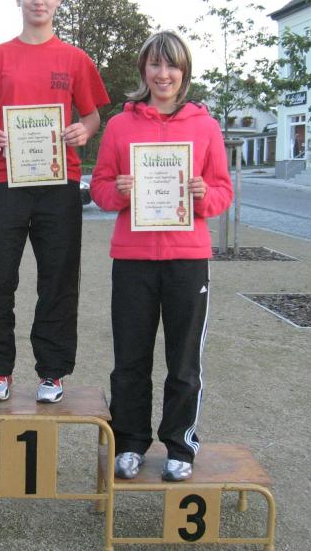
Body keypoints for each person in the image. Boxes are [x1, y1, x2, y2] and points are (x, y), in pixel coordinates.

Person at [90, 31, 233, 481]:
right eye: (155, 64)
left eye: (172, 65)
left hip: (187, 260)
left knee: (184, 361)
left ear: (184, 72)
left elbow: (223, 191)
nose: (163, 74)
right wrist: (118, 191)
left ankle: (180, 445)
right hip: (132, 259)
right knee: (130, 360)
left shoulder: (205, 127)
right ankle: (130, 443)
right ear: (144, 70)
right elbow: (99, 188)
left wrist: (203, 194)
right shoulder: (120, 126)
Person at [0, 0, 109, 404]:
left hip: (59, 181)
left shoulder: (75, 59)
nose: (38, 0)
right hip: (4, 180)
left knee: (58, 279)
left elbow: (93, 115)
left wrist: (84, 130)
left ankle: (52, 371)